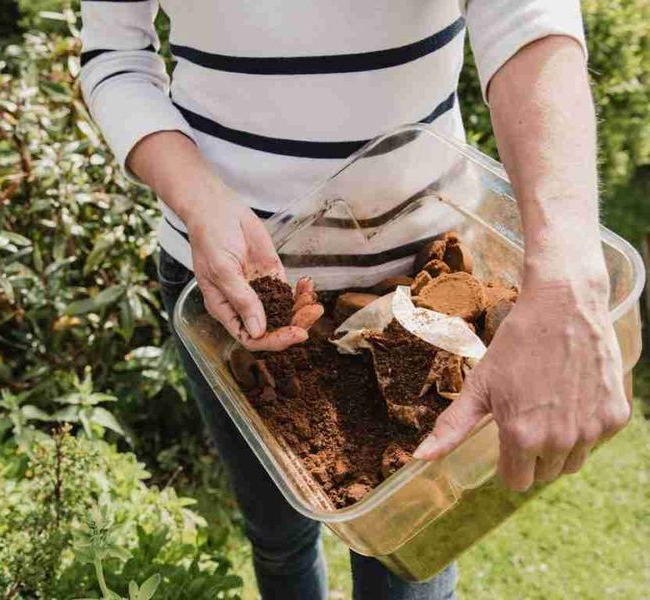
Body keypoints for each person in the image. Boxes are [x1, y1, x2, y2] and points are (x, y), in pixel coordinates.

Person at [80, 1, 630, 598]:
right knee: (278, 534)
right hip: (233, 295)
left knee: (411, 559)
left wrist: (566, 283)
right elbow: (115, 54)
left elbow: (528, 18)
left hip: (426, 287)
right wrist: (198, 198)